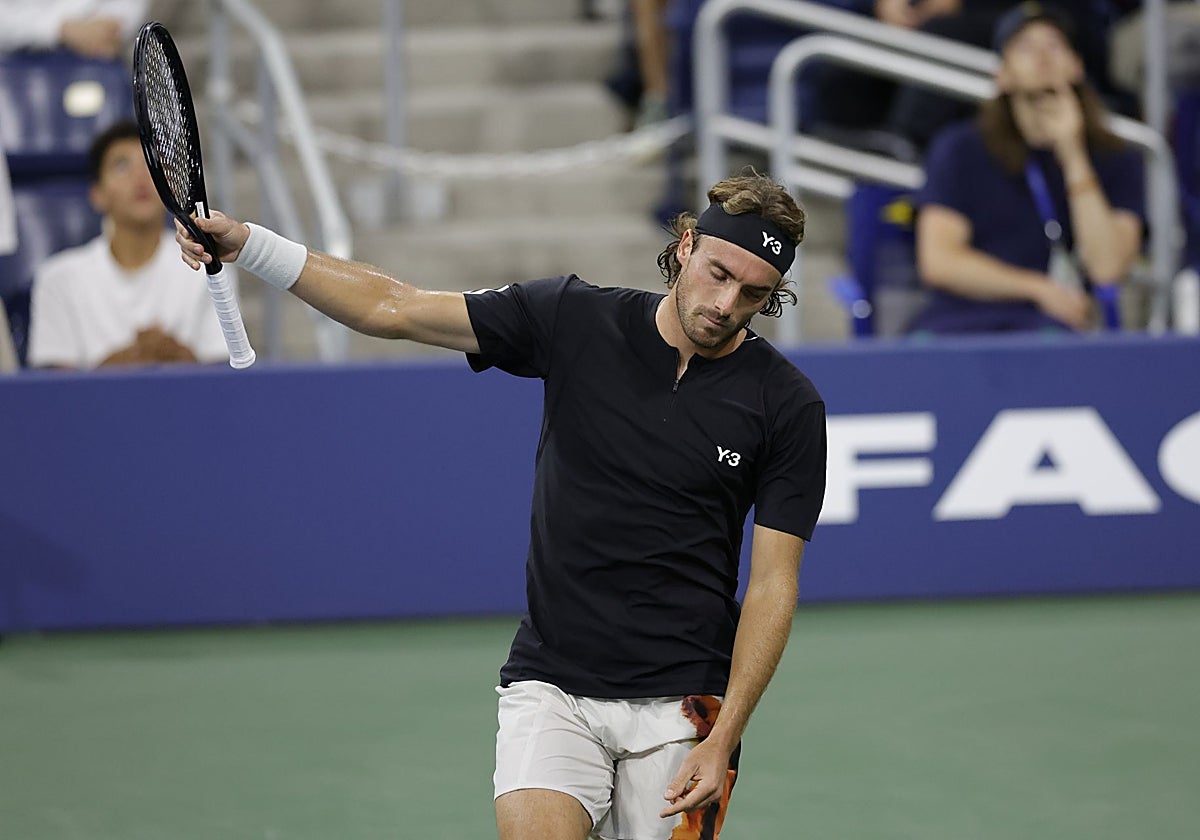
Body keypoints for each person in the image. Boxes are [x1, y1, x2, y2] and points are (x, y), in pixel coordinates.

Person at [176, 172, 827, 840]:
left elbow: (775, 582)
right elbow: (391, 308)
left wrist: (725, 737)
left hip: (685, 705)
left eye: (753, 293)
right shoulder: (573, 318)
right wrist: (249, 244)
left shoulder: (786, 405)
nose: (726, 303)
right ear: (687, 245)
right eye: (718, 274)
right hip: (554, 685)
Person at [909, 2, 1145, 334]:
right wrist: (1037, 288)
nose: (1042, 56)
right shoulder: (960, 148)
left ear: (1077, 66)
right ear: (1002, 75)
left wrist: (1073, 155)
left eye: (1054, 44)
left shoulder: (1116, 156)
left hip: (1054, 326)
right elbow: (939, 261)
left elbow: (1106, 268)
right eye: (1024, 46)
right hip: (961, 320)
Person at [28, 122, 229, 369]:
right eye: (122, 165)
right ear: (97, 194)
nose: (141, 177)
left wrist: (176, 355)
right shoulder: (58, 278)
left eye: (151, 165)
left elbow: (221, 377)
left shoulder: (209, 266)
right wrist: (126, 364)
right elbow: (52, 392)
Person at [0, 0, 147, 58]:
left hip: (102, 58)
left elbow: (132, 8)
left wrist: (112, 29)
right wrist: (62, 28)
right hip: (16, 66)